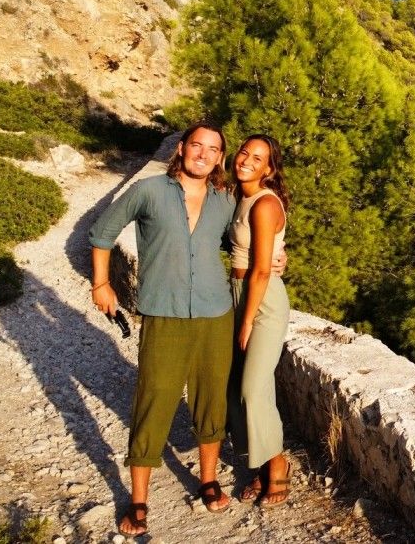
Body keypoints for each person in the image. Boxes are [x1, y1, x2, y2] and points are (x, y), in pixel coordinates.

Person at [89, 124, 238, 535]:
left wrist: (273, 260)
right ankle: (139, 501)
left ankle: (209, 480)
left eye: (213, 150)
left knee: (211, 400)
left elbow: (237, 244)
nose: (203, 154)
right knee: (153, 400)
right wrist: (101, 284)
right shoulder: (149, 190)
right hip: (164, 314)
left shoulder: (225, 200)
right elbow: (102, 234)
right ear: (181, 149)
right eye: (197, 146)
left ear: (220, 158)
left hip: (215, 313)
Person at [225, 134, 292, 507]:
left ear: (269, 168)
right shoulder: (240, 197)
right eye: (244, 152)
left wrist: (247, 320)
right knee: (241, 388)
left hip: (262, 302)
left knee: (253, 388)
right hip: (237, 294)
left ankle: (278, 464)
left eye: (258, 158)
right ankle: (259, 465)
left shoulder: (264, 204)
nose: (247, 160)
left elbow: (263, 270)